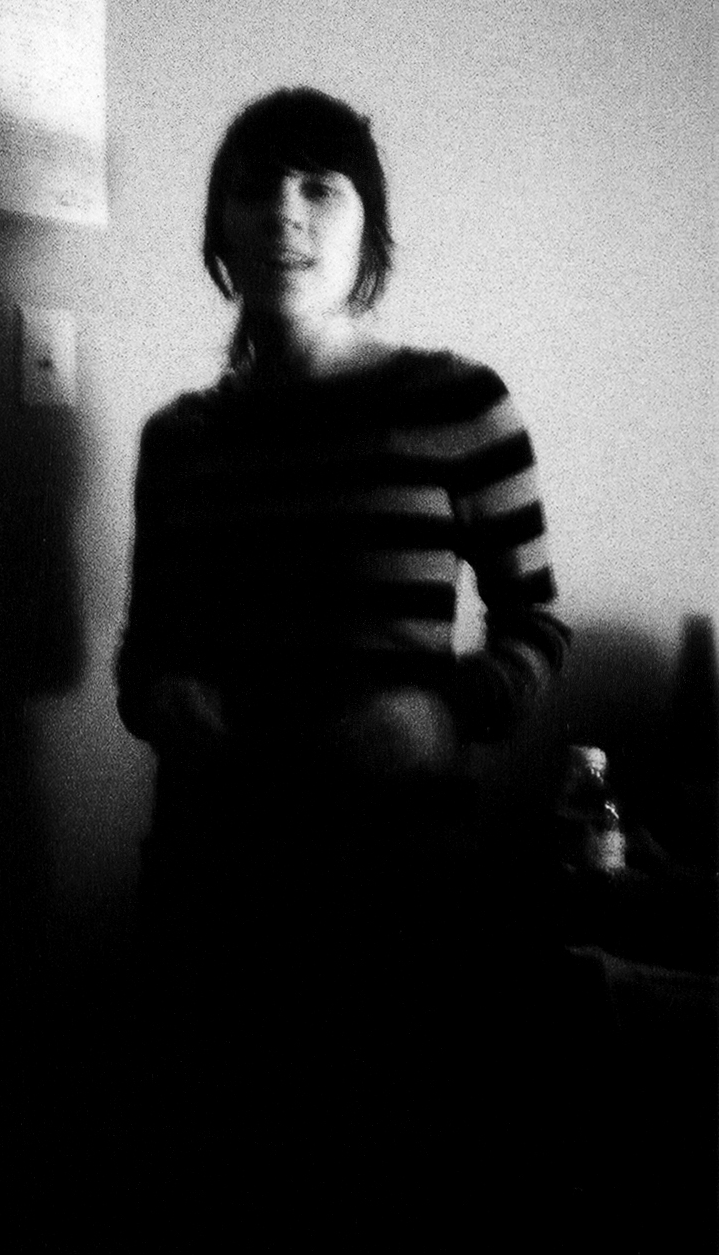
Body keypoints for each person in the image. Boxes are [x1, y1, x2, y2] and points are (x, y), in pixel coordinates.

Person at [115, 88, 574, 1241]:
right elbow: (141, 652)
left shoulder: (458, 403)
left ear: (367, 226)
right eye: (253, 188)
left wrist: (449, 714)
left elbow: (532, 622)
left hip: (395, 882)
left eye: (319, 187)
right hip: (212, 881)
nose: (284, 212)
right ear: (217, 229)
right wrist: (159, 697)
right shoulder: (178, 439)